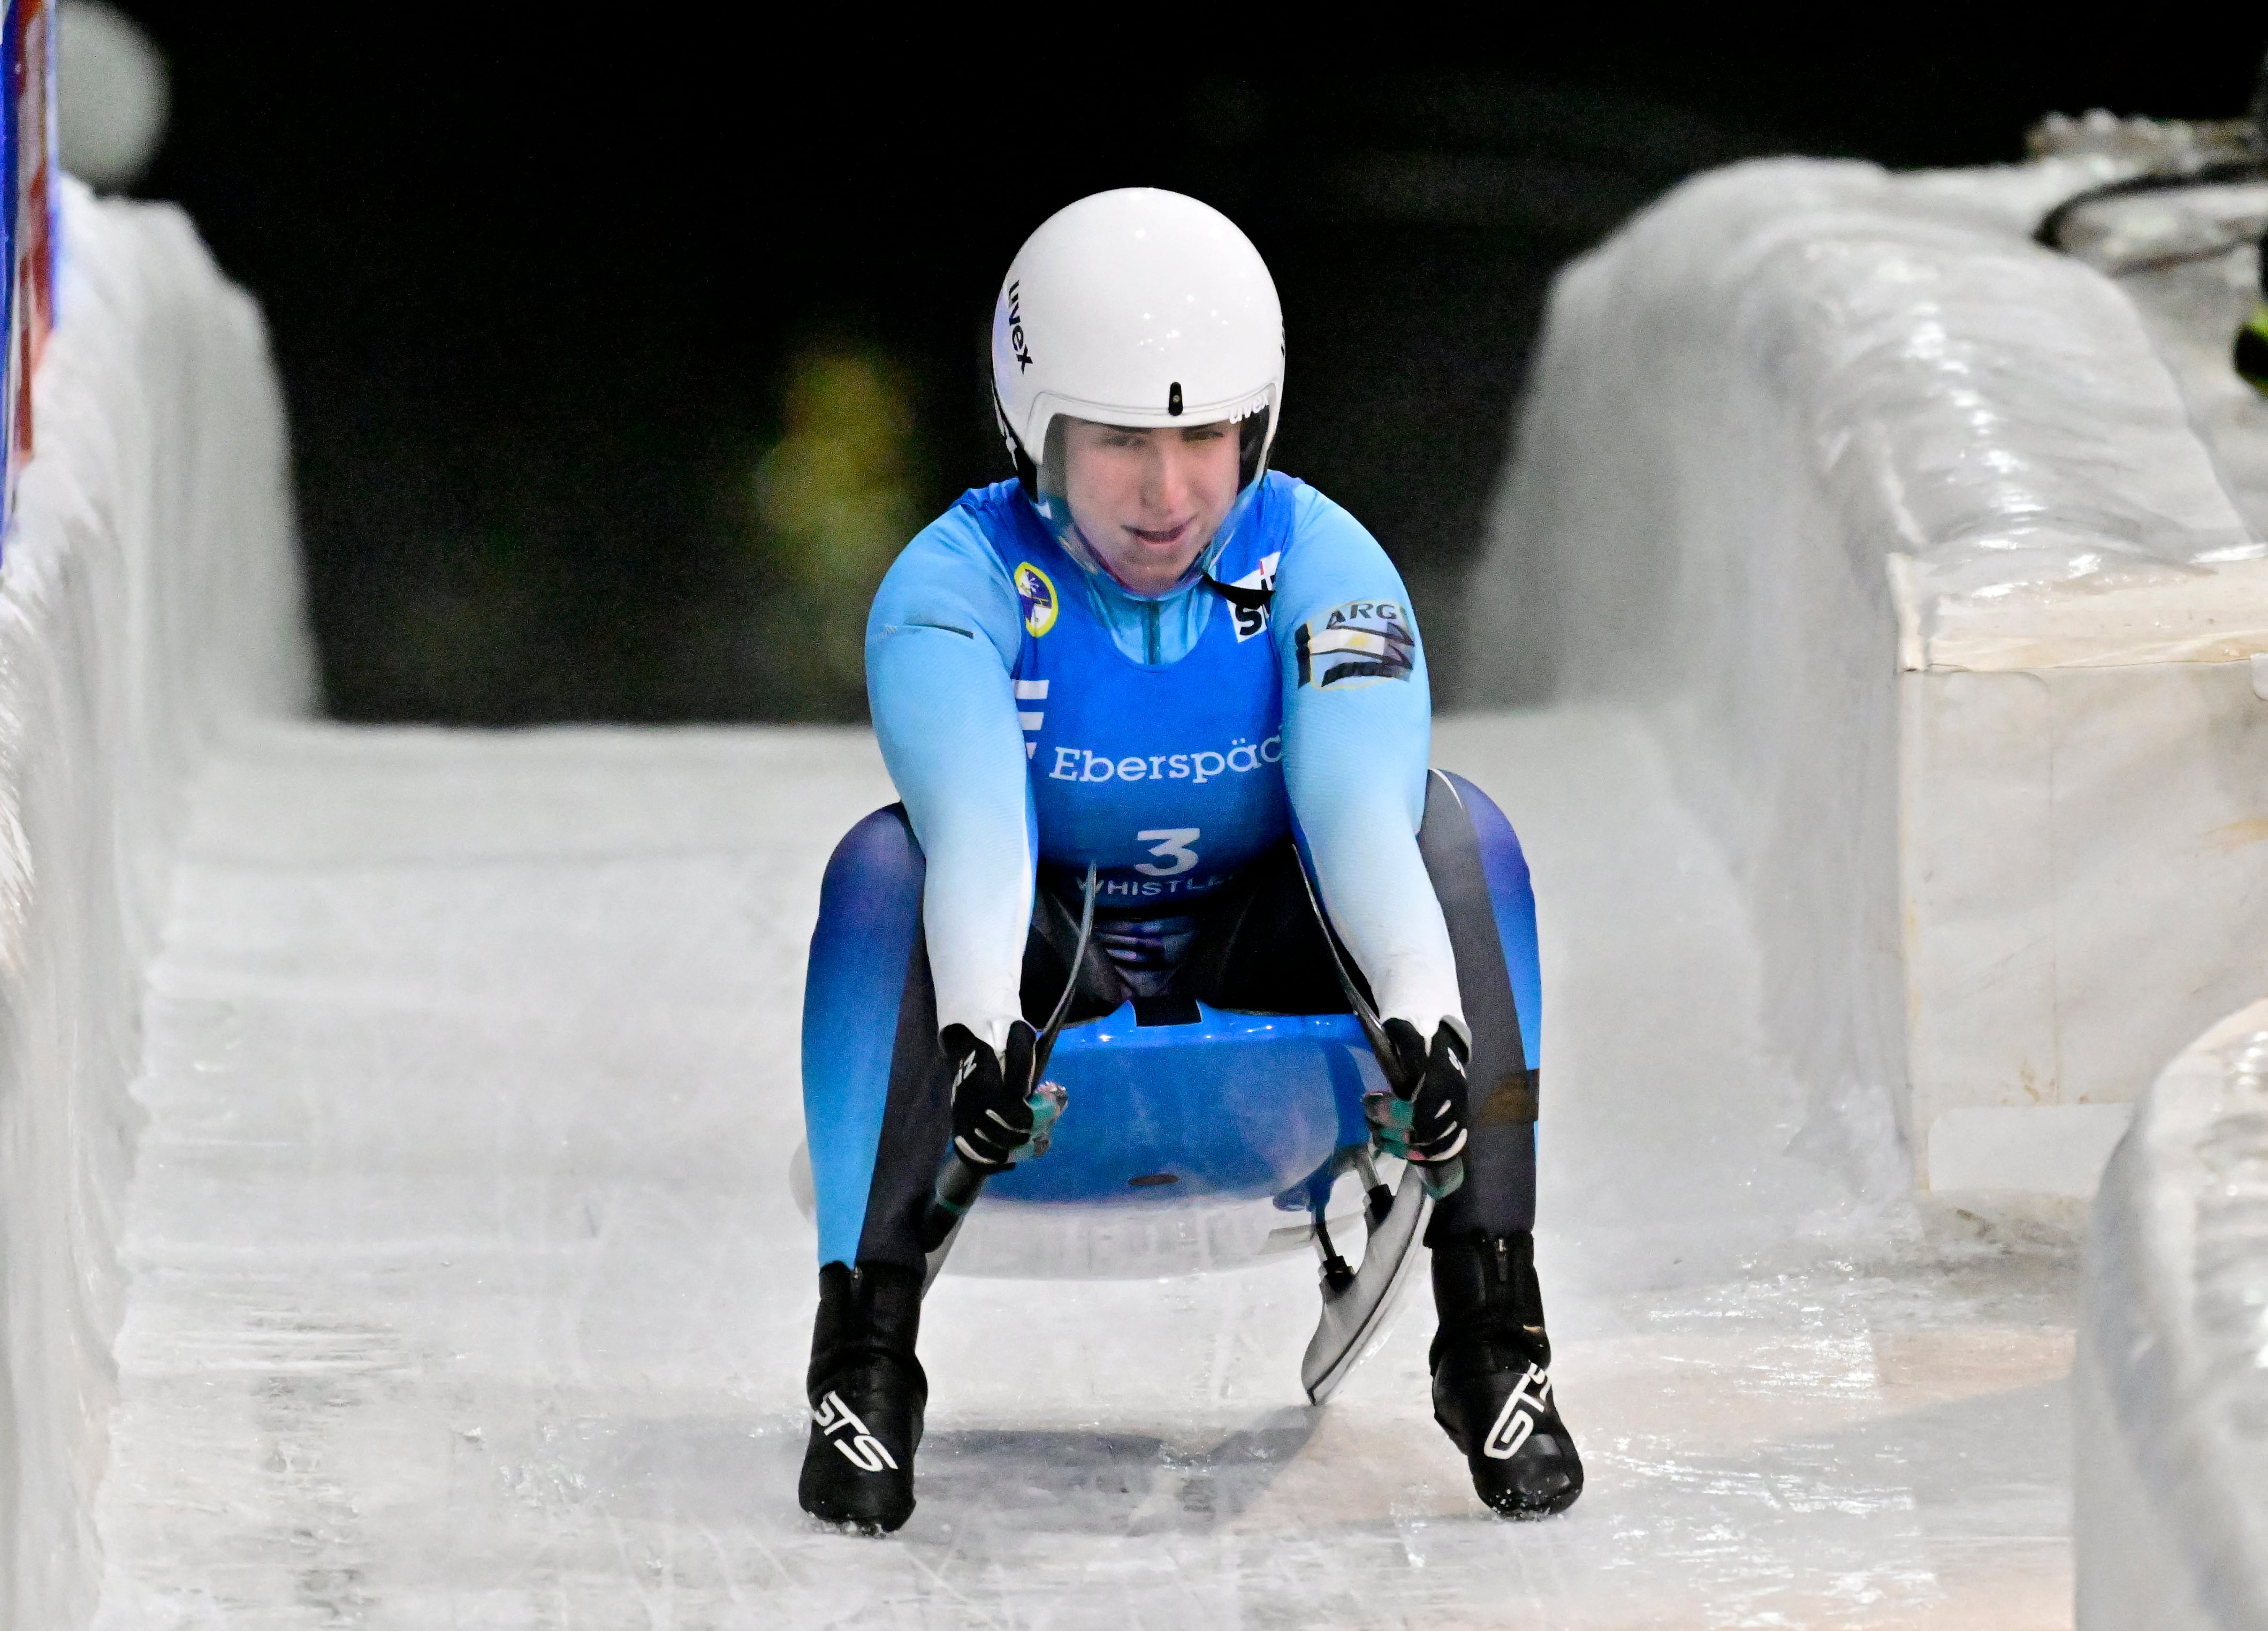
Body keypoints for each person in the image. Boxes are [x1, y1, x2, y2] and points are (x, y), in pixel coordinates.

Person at [796, 188, 1582, 1534]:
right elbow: (976, 827)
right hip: (1052, 985)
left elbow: (1357, 808)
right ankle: (863, 1353)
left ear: (1256, 425)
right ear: (1036, 432)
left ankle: (1494, 1330)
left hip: (1261, 950)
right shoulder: (953, 584)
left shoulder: (1327, 564)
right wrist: (983, 1026)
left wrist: (1420, 1011)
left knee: (1466, 830)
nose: (1168, 495)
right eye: (1115, 443)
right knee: (882, 867)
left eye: (1206, 437)